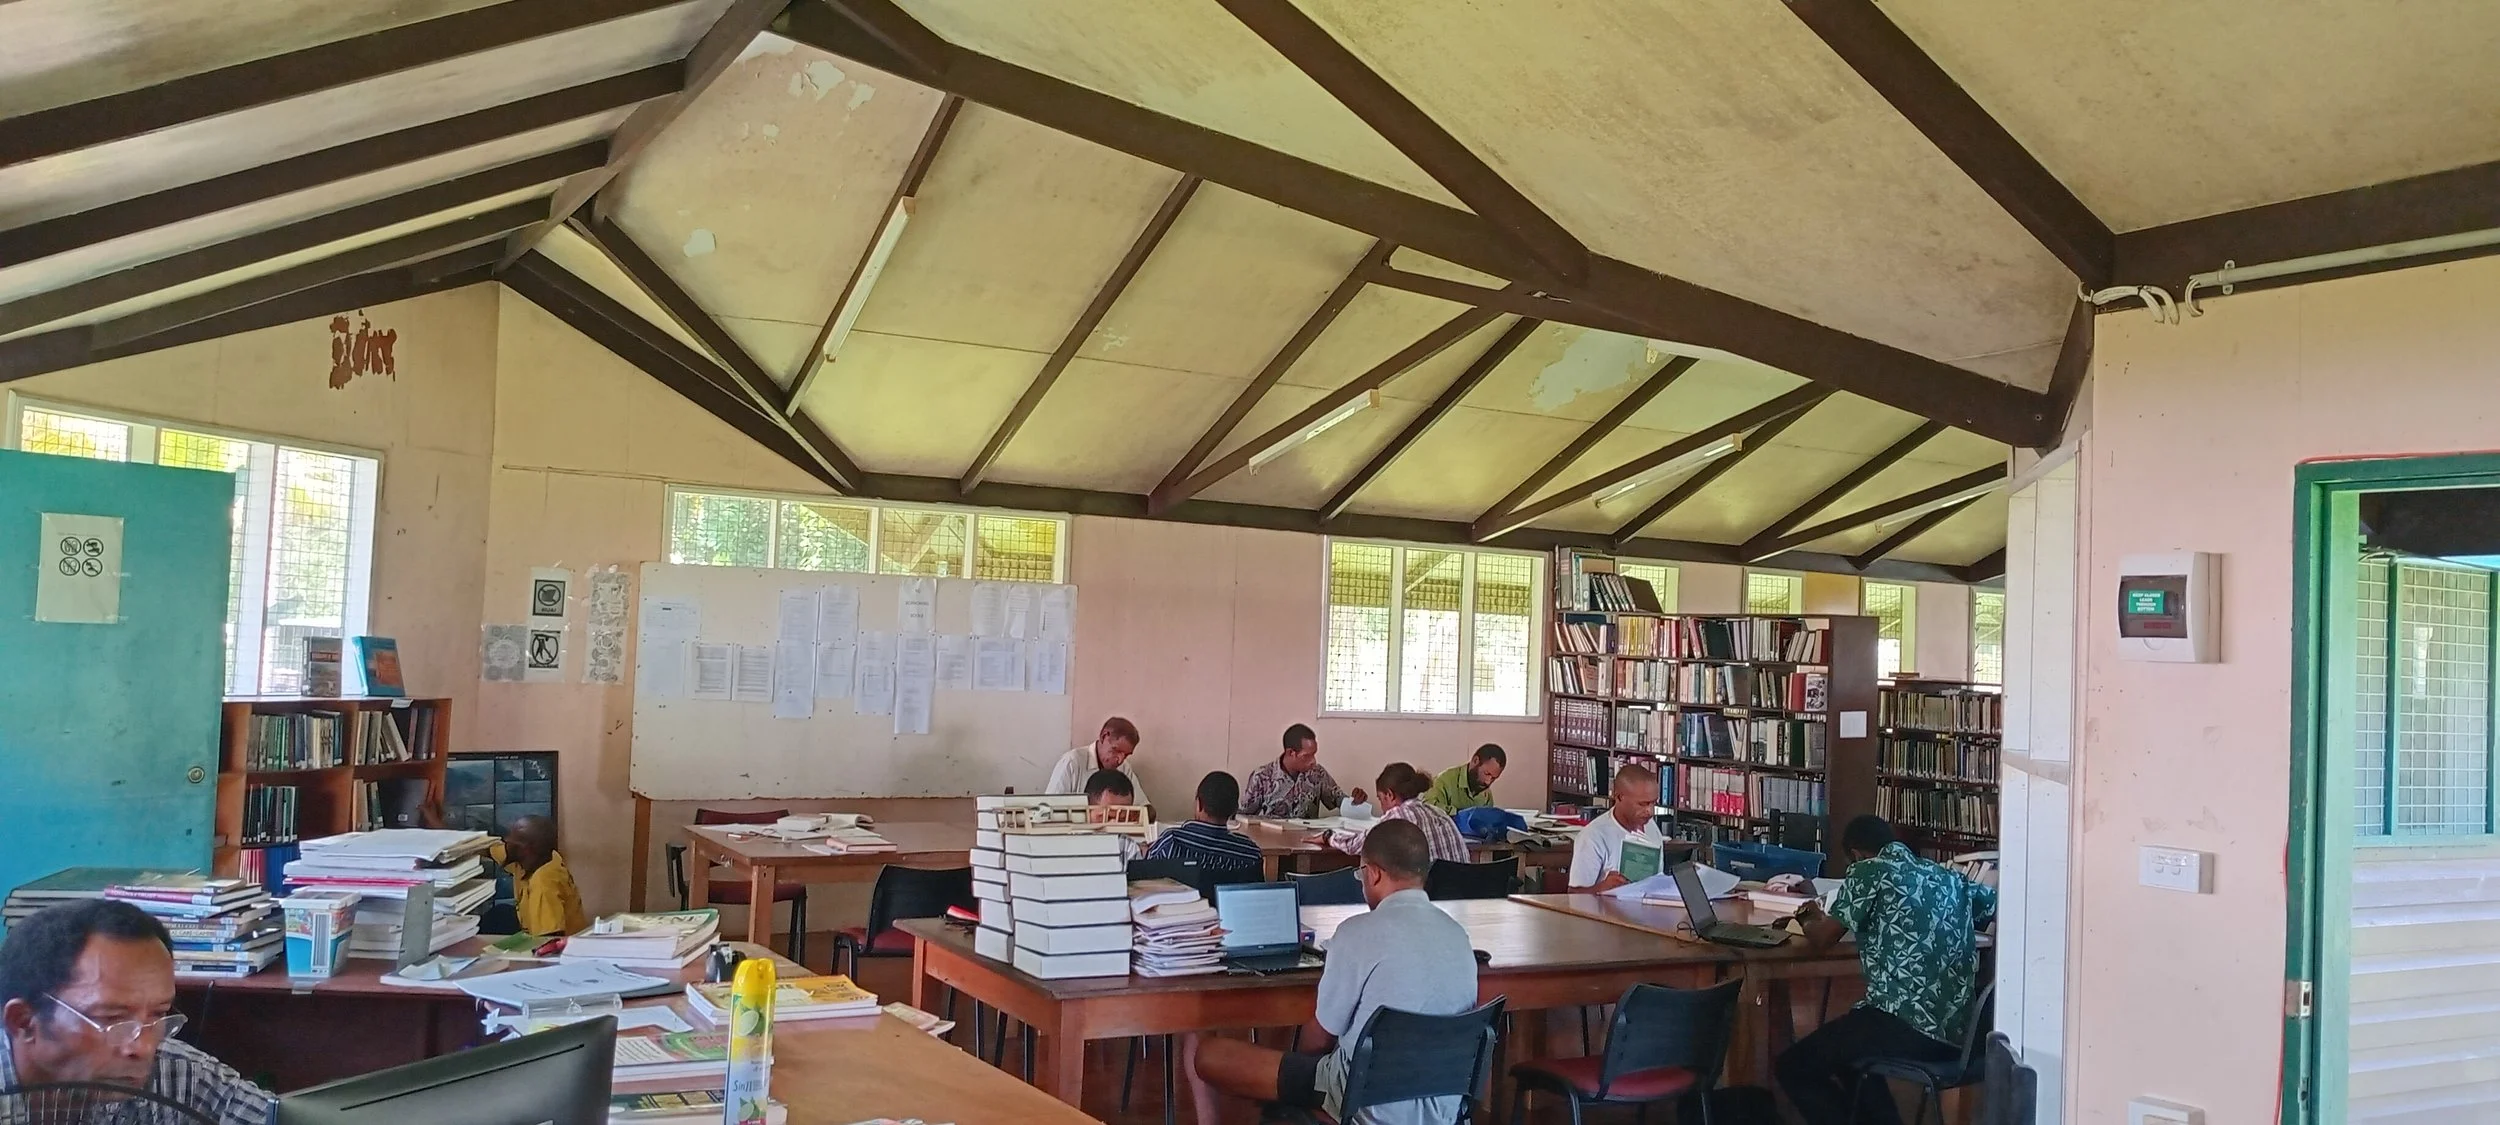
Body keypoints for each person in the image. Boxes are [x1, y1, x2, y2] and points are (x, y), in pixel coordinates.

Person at [1185, 819, 1478, 1125]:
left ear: (1374, 873)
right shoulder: (1458, 935)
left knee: (1211, 1056)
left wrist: (1295, 1070)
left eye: (1360, 873)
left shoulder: (1357, 933)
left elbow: (1320, 1037)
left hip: (1361, 1103)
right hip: (1443, 1111)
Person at [1777, 815, 1998, 1125]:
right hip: (1963, 1033)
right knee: (1847, 1052)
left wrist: (1808, 915)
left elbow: (1823, 939)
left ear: (1856, 854)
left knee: (1794, 1066)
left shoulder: (1868, 871)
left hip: (1902, 1024)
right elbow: (2000, 905)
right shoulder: (1945, 875)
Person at [0, 900, 275, 1125]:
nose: (142, 1047)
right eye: (112, 1019)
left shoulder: (179, 1074)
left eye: (157, 1015)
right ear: (23, 1022)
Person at [1329, 764, 1467, 864]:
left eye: (1380, 798)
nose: (1382, 808)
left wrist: (1328, 836)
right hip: (1460, 898)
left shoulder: (1397, 816)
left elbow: (1353, 845)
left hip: (1425, 898)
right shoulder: (1439, 812)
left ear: (1390, 795)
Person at [1143, 771, 1265, 873]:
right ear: (1234, 810)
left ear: (1199, 804)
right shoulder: (1250, 853)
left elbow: (1145, 878)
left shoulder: (1171, 842)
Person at [1567, 763, 1661, 892]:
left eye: (1653, 803)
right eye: (1642, 804)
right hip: (1604, 911)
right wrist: (1603, 888)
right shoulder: (1593, 836)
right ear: (1619, 797)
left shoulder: (1651, 827)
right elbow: (1573, 895)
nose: (1650, 811)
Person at [499, 814, 589, 936]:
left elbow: (549, 940)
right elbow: (491, 850)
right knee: (499, 913)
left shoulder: (543, 883)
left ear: (525, 849)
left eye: (512, 840)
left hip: (561, 946)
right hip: (542, 934)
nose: (506, 840)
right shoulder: (542, 858)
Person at [1240, 723, 1346, 819]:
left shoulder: (1317, 773)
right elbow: (1244, 817)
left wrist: (1355, 803)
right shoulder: (1261, 777)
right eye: (1307, 756)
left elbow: (1339, 800)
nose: (1313, 761)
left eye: (1314, 754)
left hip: (1306, 838)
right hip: (1272, 838)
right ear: (1291, 753)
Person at [1044, 716, 1143, 796]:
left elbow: (1143, 806)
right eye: (1116, 750)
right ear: (1104, 737)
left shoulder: (1124, 768)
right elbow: (1049, 807)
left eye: (1126, 755)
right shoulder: (1072, 762)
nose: (1120, 760)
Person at [1423, 744, 1506, 813]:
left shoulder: (1486, 794)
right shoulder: (1444, 780)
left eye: (1494, 778)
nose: (1488, 782)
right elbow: (1427, 808)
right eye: (1487, 774)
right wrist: (1460, 813)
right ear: (1475, 761)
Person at [1083, 768, 1143, 861]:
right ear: (1086, 811)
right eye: (1108, 817)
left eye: (1122, 819)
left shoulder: (1129, 848)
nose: (1114, 823)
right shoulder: (1070, 843)